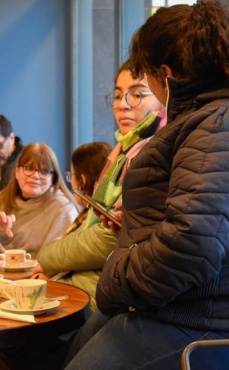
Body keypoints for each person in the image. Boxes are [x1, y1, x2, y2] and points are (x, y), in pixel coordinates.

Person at [63, 2, 229, 369]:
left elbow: (193, 244)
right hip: (206, 308)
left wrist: (114, 277)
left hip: (221, 321)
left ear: (166, 73)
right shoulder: (221, 119)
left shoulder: (224, 126)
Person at [32, 61, 166, 314]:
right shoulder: (120, 153)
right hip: (96, 277)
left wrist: (47, 260)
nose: (123, 104)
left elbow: (113, 237)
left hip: (120, 291)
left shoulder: (153, 152)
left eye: (137, 94)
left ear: (161, 97)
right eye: (117, 96)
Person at [0, 143, 78, 256]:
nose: (36, 176)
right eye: (29, 168)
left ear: (53, 178)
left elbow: (61, 260)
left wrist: (12, 260)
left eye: (44, 171)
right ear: (17, 171)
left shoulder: (63, 209)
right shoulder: (3, 201)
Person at [32, 141, 112, 310]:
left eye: (72, 176)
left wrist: (50, 280)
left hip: (85, 305)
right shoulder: (88, 214)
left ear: (82, 180)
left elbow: (73, 262)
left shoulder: (97, 216)